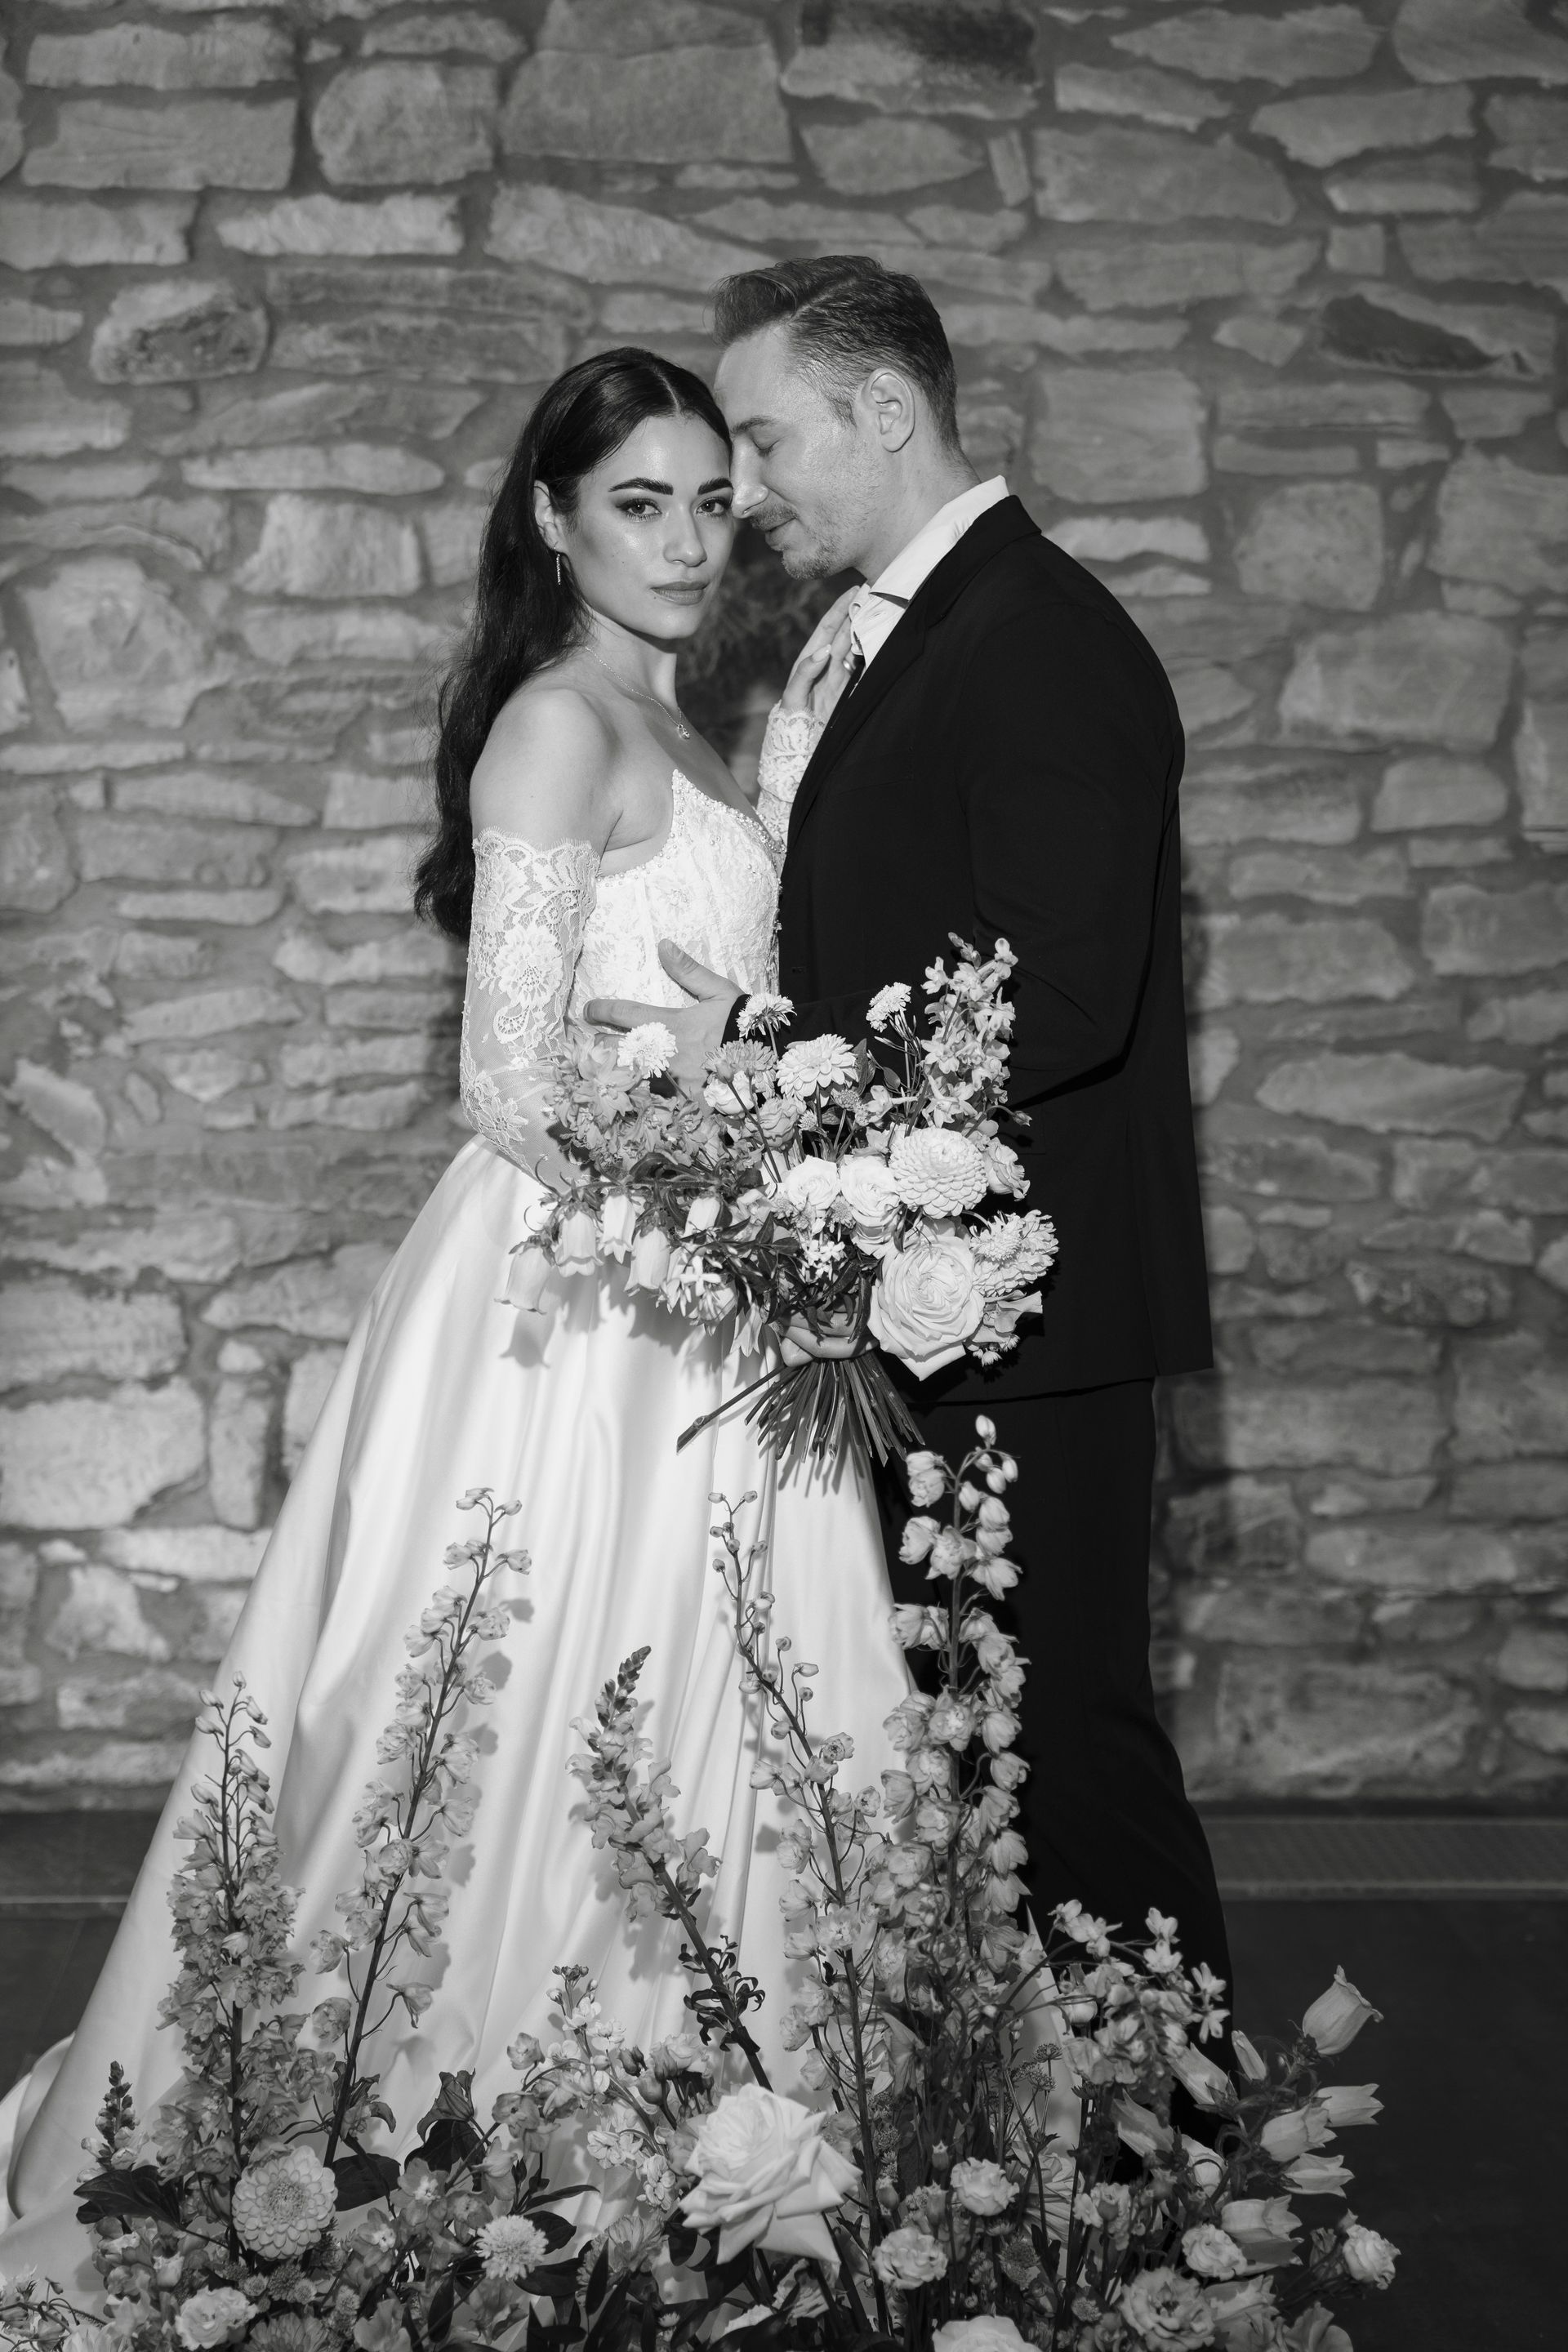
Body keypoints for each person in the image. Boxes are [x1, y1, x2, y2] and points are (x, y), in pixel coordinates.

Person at [0, 348, 906, 2291]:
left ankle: (732, 2178)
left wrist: (778, 1140)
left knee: (734, 1711)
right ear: (550, 523)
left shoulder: (694, 713)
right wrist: (748, 1118)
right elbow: (515, 1078)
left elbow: (680, 1008)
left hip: (714, 1278)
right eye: (635, 504)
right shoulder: (560, 729)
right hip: (586, 1292)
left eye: (703, 499)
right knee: (517, 1705)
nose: (680, 539)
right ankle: (481, 2168)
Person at [587, 261, 1231, 1998]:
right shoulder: (896, 631)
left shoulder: (1041, 642)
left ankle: (1167, 2179)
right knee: (965, 1749)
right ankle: (1027, 2157)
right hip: (916, 1297)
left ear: (888, 412)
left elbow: (1060, 991)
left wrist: (775, 1063)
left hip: (1031, 1316)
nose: (754, 485)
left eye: (773, 437)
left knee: (1065, 1748)